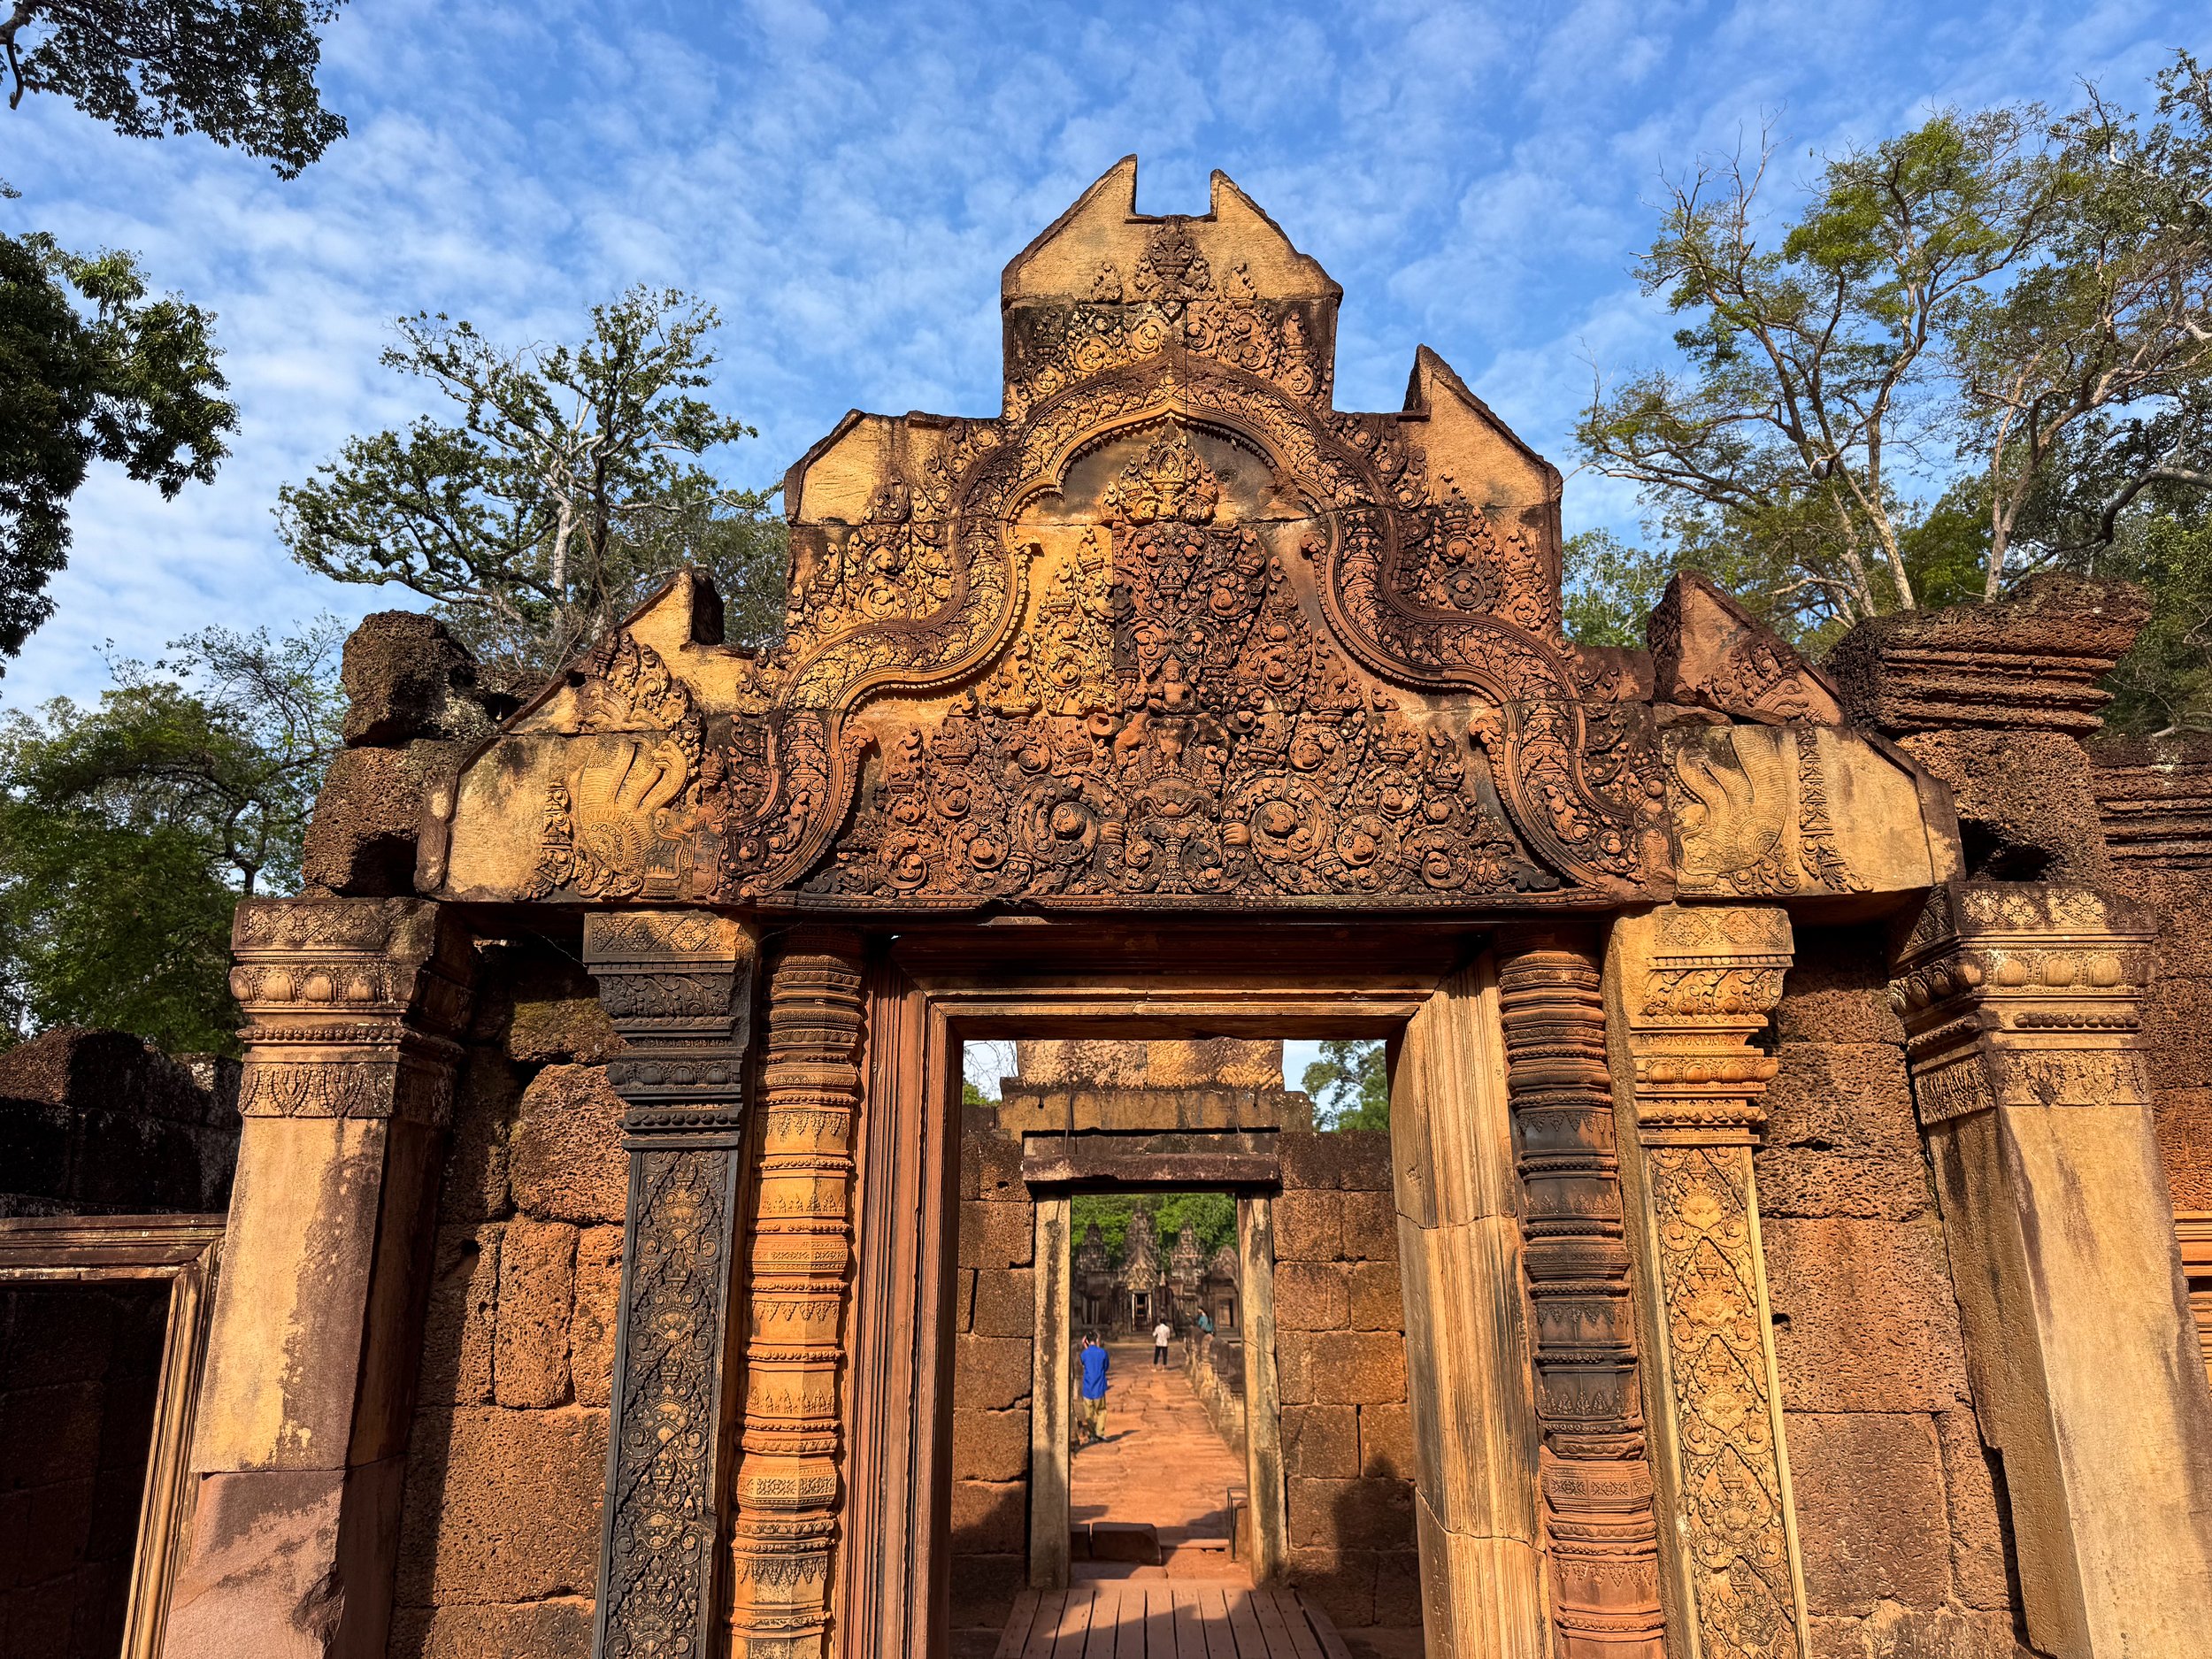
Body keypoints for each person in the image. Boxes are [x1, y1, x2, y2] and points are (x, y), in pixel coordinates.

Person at [1076, 1334, 1110, 1446]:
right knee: (1101, 1411)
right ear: (1096, 1340)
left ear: (1086, 1341)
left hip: (1088, 1388)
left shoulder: (1084, 1354)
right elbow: (1106, 1367)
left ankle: (1092, 1435)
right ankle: (1099, 1432)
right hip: (1099, 1387)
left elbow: (1082, 1364)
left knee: (1089, 1414)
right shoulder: (1102, 1353)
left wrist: (1085, 1348)